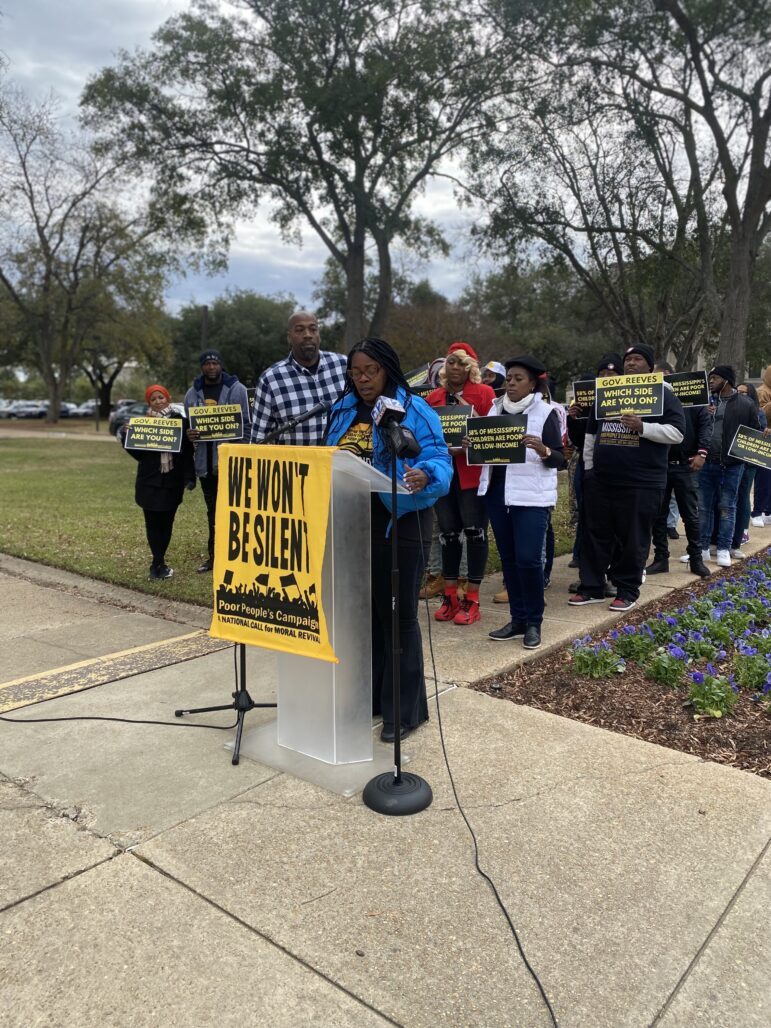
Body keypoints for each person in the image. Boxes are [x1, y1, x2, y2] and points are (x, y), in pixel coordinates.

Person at [323, 337, 452, 742]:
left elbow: (440, 458)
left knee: (398, 619)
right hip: (350, 526)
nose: (362, 380)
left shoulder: (415, 410)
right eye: (355, 372)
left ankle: (404, 711)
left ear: (388, 370)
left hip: (400, 524)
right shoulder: (342, 409)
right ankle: (371, 699)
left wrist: (425, 473)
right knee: (363, 619)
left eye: (370, 371)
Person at [569, 344, 686, 612]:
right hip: (601, 480)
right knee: (595, 535)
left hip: (641, 481)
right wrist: (589, 471)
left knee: (633, 538)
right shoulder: (608, 394)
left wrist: (643, 427)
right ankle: (592, 587)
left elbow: (678, 433)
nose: (631, 363)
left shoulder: (663, 395)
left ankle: (627, 589)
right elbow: (591, 434)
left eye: (637, 359)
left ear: (649, 366)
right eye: (628, 359)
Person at [478, 355, 566, 649]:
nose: (512, 383)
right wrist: (473, 445)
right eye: (510, 378)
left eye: (519, 379)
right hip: (497, 494)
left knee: (529, 559)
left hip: (531, 498)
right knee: (510, 560)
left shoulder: (545, 413)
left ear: (533, 383)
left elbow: (560, 459)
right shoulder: (494, 410)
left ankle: (534, 622)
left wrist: (542, 450)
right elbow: (487, 452)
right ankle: (517, 620)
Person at [426, 342, 496, 625]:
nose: (455, 367)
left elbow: (494, 435)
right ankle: (451, 596)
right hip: (444, 474)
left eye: (461, 363)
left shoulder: (484, 394)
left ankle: (473, 599)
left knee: (475, 532)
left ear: (471, 368)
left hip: (472, 474)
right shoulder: (433, 398)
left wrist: (473, 417)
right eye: (451, 362)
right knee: (448, 533)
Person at [184, 349, 250, 573]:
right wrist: (189, 433)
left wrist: (240, 453)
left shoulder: (237, 389)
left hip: (230, 464)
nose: (211, 367)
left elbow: (246, 426)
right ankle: (214, 558)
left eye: (215, 363)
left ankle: (237, 557)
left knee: (234, 511)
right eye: (207, 364)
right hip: (205, 465)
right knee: (212, 512)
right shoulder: (193, 394)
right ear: (202, 367)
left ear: (221, 365)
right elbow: (188, 427)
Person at [121, 385, 195, 580]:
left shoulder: (181, 421)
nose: (158, 401)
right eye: (153, 399)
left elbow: (187, 453)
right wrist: (126, 435)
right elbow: (137, 454)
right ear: (149, 403)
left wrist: (189, 477)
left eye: (160, 397)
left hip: (172, 481)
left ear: (167, 398)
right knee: (152, 524)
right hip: (149, 482)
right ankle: (157, 562)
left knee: (167, 523)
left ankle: (159, 562)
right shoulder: (143, 423)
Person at [646, 360, 711, 578]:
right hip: (660, 466)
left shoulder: (695, 401)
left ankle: (696, 559)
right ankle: (660, 558)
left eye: (663, 376)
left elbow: (705, 426)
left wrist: (702, 453)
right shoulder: (654, 401)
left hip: (686, 465)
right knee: (659, 514)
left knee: (690, 515)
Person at [250, 311, 347, 445]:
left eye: (313, 329)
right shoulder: (271, 380)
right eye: (300, 330)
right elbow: (259, 439)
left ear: (319, 335)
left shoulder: (343, 365)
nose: (308, 335)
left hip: (342, 463)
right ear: (289, 337)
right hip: (298, 464)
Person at [697, 364, 759, 567]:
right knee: (705, 507)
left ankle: (724, 548)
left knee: (727, 507)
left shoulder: (746, 404)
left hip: (732, 465)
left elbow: (754, 433)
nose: (711, 381)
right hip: (707, 463)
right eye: (710, 378)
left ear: (726, 380)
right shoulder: (705, 402)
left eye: (715, 378)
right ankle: (703, 548)